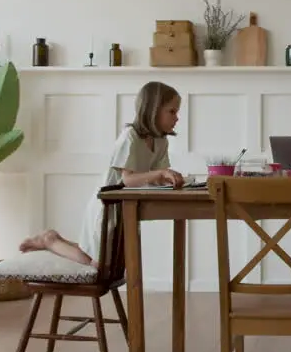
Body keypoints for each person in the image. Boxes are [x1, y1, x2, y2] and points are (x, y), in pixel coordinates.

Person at [20, 81, 185, 267]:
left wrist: (170, 179)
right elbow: (128, 179)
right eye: (172, 111)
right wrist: (161, 173)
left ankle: (52, 238)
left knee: (101, 257)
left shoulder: (161, 142)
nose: (177, 118)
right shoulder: (130, 137)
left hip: (125, 208)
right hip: (106, 207)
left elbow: (157, 176)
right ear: (153, 110)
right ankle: (50, 241)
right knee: (98, 264)